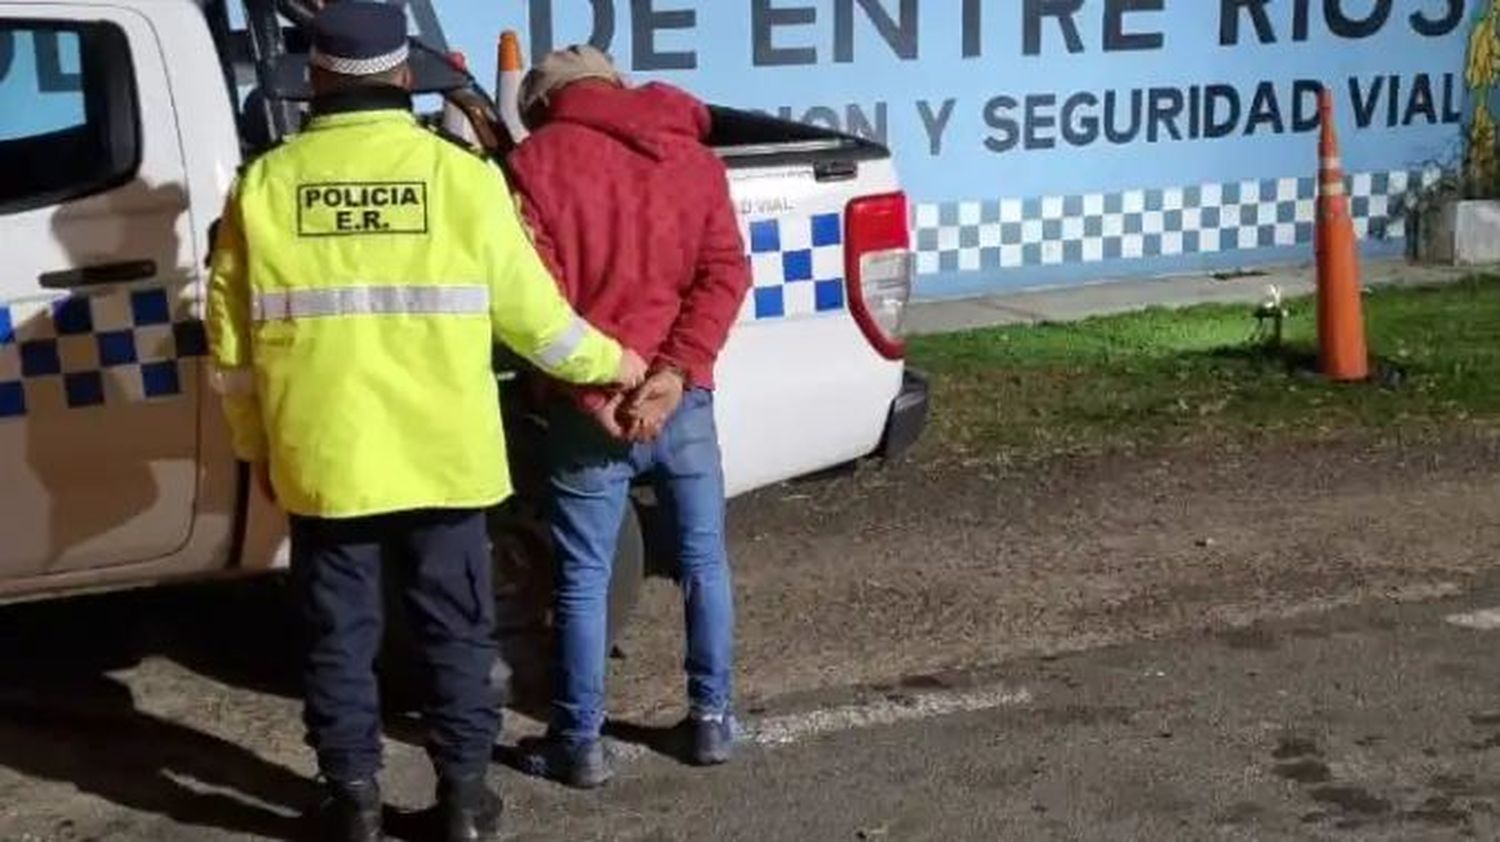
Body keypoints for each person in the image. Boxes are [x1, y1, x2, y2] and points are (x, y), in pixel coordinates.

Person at [204, 7, 645, 841]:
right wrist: (615, 363)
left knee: (340, 636)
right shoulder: (462, 180)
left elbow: (230, 347)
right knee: (454, 630)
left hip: (328, 461)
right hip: (446, 461)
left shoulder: (264, 186)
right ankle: (464, 802)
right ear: (406, 78)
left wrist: (256, 446)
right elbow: (538, 322)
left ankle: (353, 803)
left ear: (318, 79)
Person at [504, 45, 752, 788]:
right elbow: (724, 273)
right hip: (682, 400)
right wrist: (674, 373)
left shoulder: (533, 167)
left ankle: (579, 741)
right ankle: (711, 721)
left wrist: (597, 394)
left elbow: (537, 308)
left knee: (583, 577)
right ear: (614, 84)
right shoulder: (691, 152)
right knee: (704, 562)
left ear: (546, 104)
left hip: (591, 411)